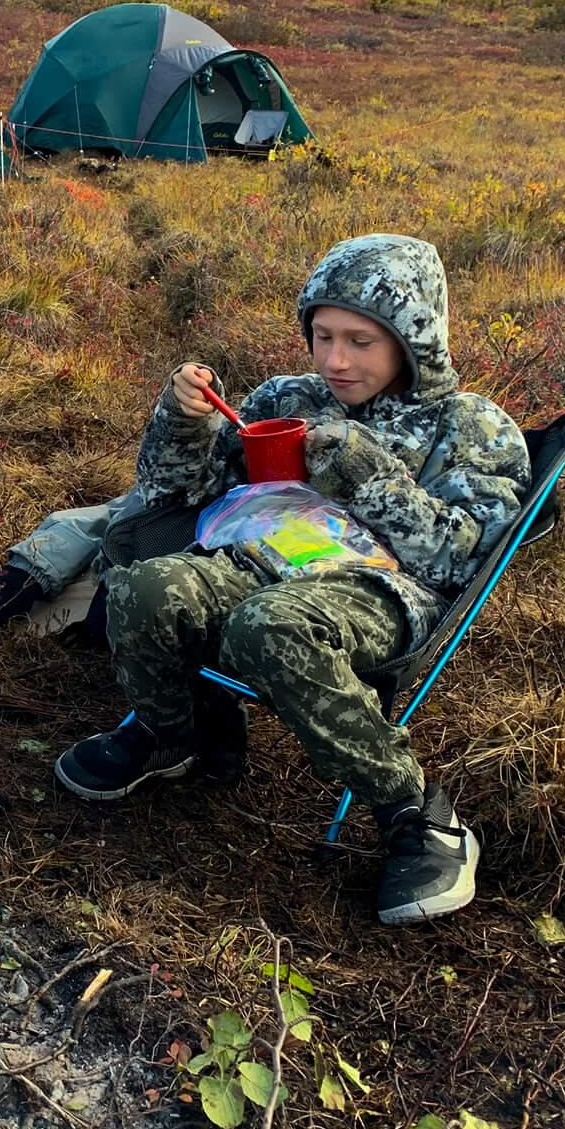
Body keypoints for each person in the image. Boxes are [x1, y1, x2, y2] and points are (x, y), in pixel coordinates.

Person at [51, 234, 530, 925]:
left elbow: (457, 560)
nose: (335, 360)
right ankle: (172, 734)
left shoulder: (472, 428)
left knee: (269, 626)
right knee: (145, 588)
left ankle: (415, 811)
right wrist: (181, 424)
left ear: (413, 340)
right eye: (323, 335)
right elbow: (172, 494)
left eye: (361, 341)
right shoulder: (287, 397)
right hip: (261, 561)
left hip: (382, 590)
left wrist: (364, 472)